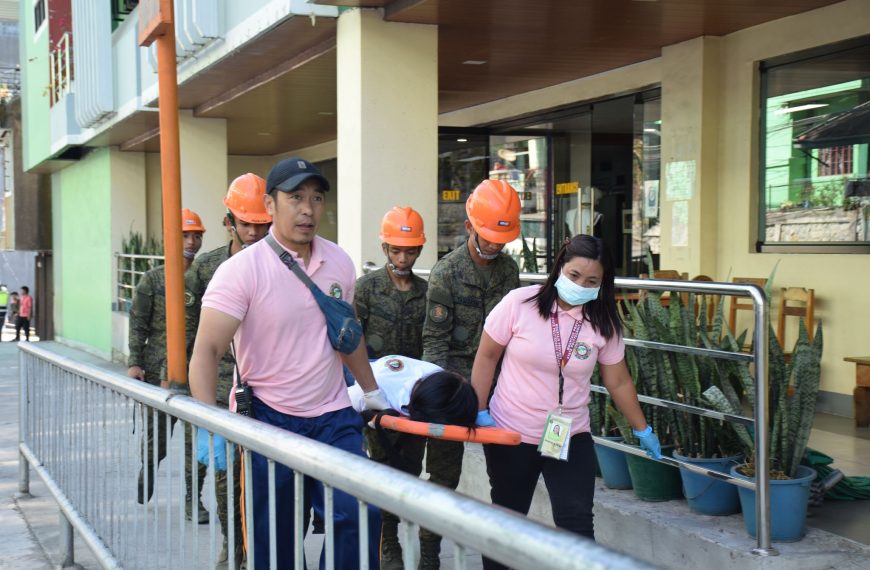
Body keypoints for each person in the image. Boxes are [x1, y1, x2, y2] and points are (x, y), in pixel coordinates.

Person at [189, 157, 389, 570]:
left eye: (316, 198)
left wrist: (371, 391)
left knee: (359, 516)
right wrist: (209, 422)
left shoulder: (339, 262)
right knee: (275, 541)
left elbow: (345, 335)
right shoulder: (240, 271)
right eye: (295, 197)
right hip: (269, 419)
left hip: (334, 417)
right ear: (270, 203)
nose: (307, 209)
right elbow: (206, 349)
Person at [471, 234, 662, 569]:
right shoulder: (520, 303)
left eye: (592, 281)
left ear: (602, 284)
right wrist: (479, 410)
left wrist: (642, 429)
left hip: (569, 434)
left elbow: (617, 381)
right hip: (511, 431)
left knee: (576, 525)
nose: (580, 285)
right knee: (506, 521)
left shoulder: (603, 324)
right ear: (560, 267)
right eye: (574, 276)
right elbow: (487, 357)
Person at [418, 178, 521, 568]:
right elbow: (435, 342)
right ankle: (430, 552)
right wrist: (443, 400)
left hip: (500, 390)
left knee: (509, 476)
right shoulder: (446, 272)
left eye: (502, 238)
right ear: (469, 228)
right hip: (456, 385)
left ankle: (500, 553)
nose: (495, 245)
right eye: (488, 236)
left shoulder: (509, 271)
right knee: (444, 478)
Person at [186, 173, 271, 569]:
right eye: (246, 223)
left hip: (272, 391)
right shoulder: (206, 269)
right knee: (227, 488)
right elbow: (192, 337)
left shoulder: (284, 264)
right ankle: (233, 552)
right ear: (229, 221)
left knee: (276, 486)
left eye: (261, 224)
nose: (254, 231)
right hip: (222, 394)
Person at [127, 208, 206, 519]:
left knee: (194, 441)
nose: (191, 241)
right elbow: (138, 324)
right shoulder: (152, 280)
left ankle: (192, 500)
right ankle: (149, 465)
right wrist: (134, 362)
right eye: (185, 235)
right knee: (157, 437)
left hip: (196, 369)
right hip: (157, 368)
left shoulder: (203, 277)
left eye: (196, 235)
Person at [355, 206, 428, 360]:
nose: (402, 259)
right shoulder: (365, 288)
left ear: (419, 251)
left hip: (415, 375)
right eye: (396, 251)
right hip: (375, 374)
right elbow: (353, 340)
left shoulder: (427, 291)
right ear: (385, 249)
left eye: (410, 252)